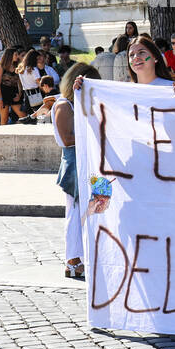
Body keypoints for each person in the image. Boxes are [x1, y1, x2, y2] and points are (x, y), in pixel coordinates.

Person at [54, 63, 101, 281]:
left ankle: (84, 256)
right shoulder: (64, 105)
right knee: (75, 214)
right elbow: (65, 139)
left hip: (87, 162)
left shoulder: (78, 105)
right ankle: (72, 261)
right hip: (73, 164)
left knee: (91, 211)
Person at [0, 47, 28, 125]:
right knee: (4, 119)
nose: (17, 56)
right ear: (10, 55)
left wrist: (20, 94)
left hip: (14, 94)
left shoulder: (17, 66)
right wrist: (0, 98)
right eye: (15, 54)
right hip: (3, 94)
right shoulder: (2, 66)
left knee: (23, 115)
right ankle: (1, 137)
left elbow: (20, 82)